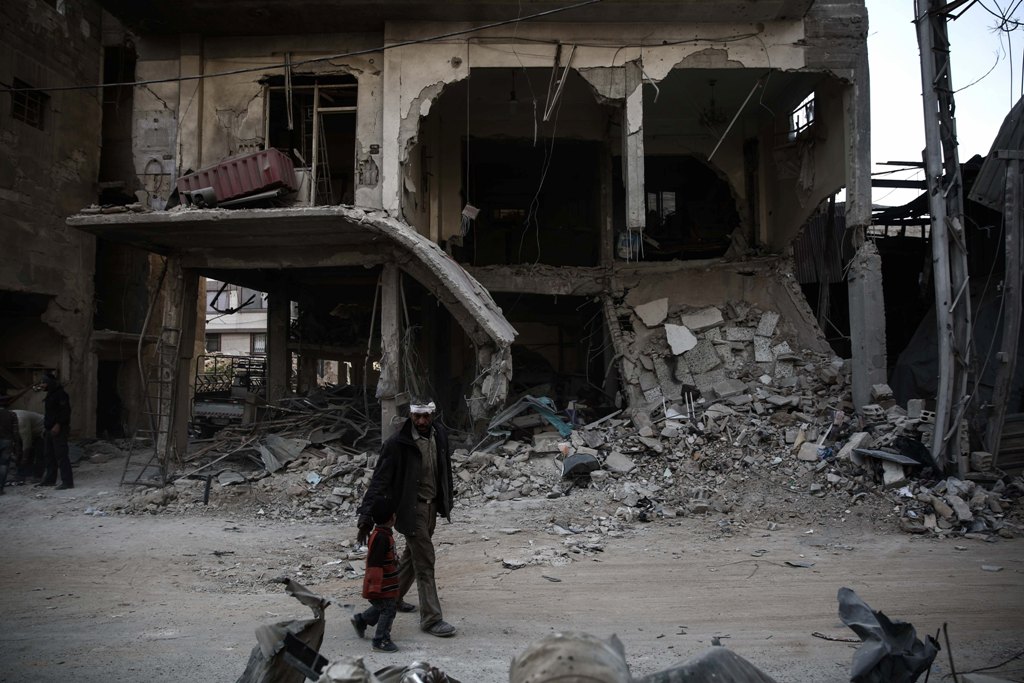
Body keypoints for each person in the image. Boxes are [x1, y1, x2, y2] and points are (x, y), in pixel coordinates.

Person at [356, 398, 457, 638]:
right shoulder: (397, 443)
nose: (421, 421)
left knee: (412, 557)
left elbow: (445, 471)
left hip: (432, 508)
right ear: (410, 416)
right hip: (410, 510)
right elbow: (380, 479)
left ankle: (385, 604)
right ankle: (432, 619)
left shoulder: (438, 435)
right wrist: (365, 517)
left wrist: (446, 503)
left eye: (426, 416)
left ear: (432, 416)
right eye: (417, 416)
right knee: (425, 561)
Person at [351, 496, 400, 653]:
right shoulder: (381, 537)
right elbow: (374, 564)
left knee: (384, 607)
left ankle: (361, 620)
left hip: (385, 585)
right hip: (381, 587)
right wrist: (376, 588)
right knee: (388, 610)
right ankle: (381, 640)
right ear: (391, 518)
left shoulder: (384, 534)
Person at [38, 372, 73, 490]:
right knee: (49, 455)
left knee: (61, 455)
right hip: (49, 429)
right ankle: (50, 480)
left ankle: (67, 482)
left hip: (59, 429)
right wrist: (46, 427)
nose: (42, 385)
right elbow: (49, 414)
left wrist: (58, 424)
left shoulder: (61, 394)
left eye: (44, 382)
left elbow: (65, 412)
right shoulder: (50, 395)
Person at [0, 408, 22, 494]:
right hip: (7, 441)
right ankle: (0, 488)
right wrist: (17, 447)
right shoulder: (11, 414)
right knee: (3, 465)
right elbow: (15, 432)